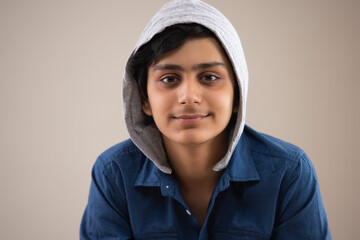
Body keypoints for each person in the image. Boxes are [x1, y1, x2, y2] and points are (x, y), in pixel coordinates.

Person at [80, 0, 331, 239]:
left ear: (237, 95)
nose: (189, 97)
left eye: (209, 77)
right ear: (144, 99)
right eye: (169, 79)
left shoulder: (289, 172)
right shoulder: (114, 174)